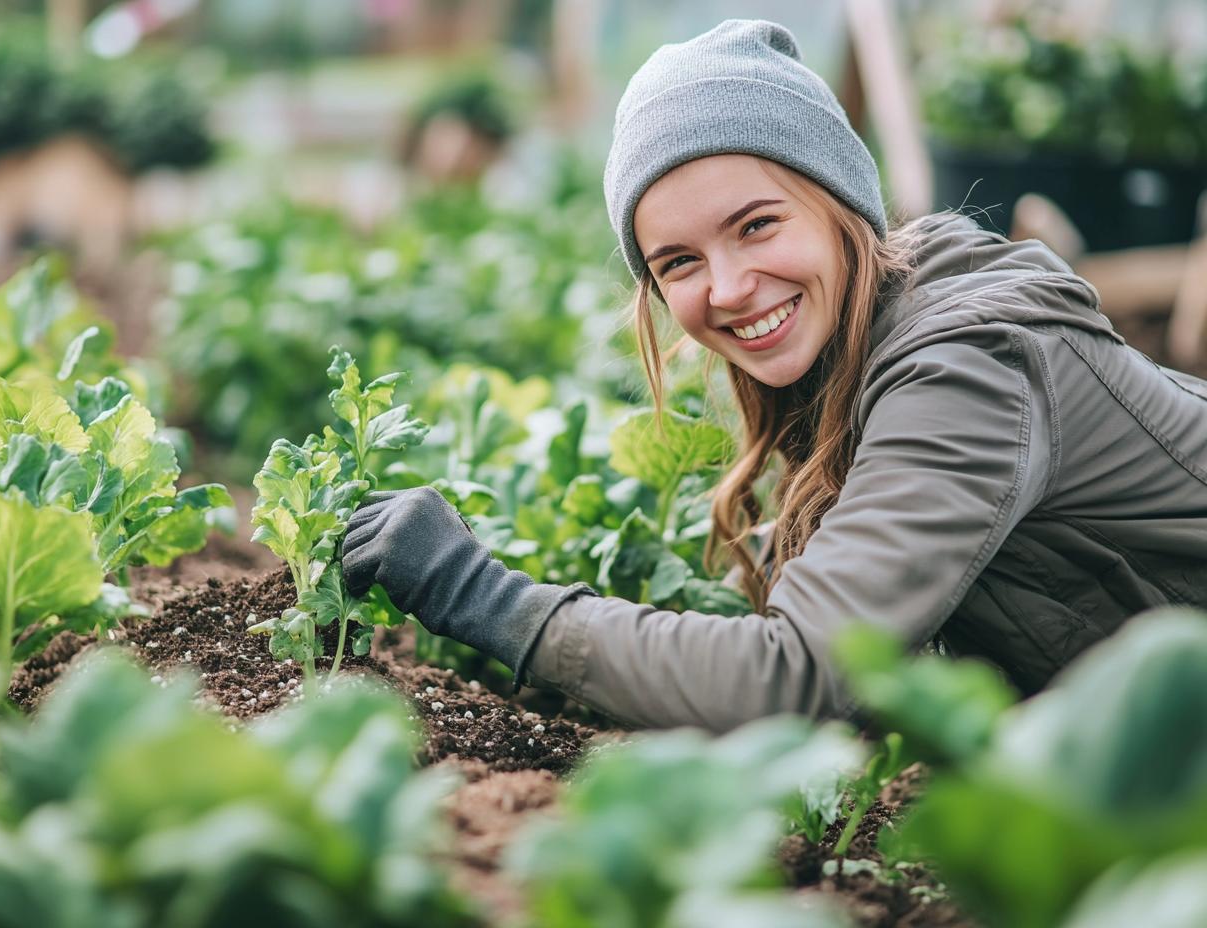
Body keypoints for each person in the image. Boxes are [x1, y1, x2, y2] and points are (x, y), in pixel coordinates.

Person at [342, 19, 1207, 732]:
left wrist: (481, 595)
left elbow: (799, 678)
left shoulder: (970, 367)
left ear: (840, 206)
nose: (725, 287)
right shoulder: (857, 350)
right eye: (677, 262)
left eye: (756, 225)